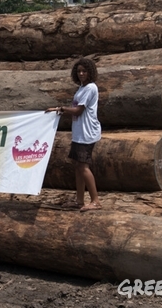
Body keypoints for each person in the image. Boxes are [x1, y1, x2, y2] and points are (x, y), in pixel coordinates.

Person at [46, 58, 102, 212]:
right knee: (78, 166)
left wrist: (60, 109)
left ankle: (96, 200)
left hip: (87, 132)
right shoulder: (81, 89)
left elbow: (78, 111)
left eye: (84, 71)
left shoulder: (90, 88)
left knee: (83, 167)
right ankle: (79, 200)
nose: (82, 74)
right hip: (79, 132)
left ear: (90, 72)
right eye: (79, 71)